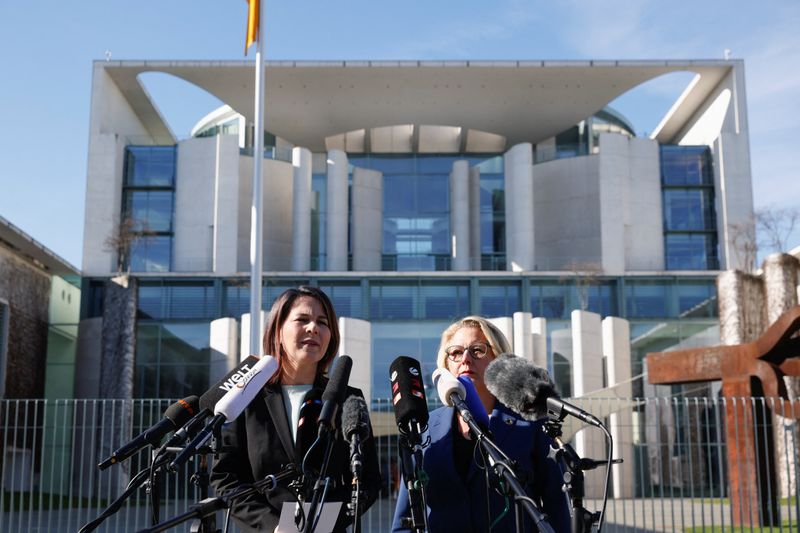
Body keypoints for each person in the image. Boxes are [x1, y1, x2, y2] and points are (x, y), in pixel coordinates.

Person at [211, 286, 380, 532]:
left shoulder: (348, 398)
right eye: (302, 319)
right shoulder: (245, 398)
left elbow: (368, 480)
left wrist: (325, 522)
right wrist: (274, 526)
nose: (313, 328)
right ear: (278, 331)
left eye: (323, 322)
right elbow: (226, 479)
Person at [392, 316, 571, 533]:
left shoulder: (532, 422)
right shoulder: (424, 427)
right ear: (446, 364)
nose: (465, 359)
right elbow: (404, 519)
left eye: (477, 350)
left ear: (499, 361)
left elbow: (556, 506)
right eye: (456, 352)